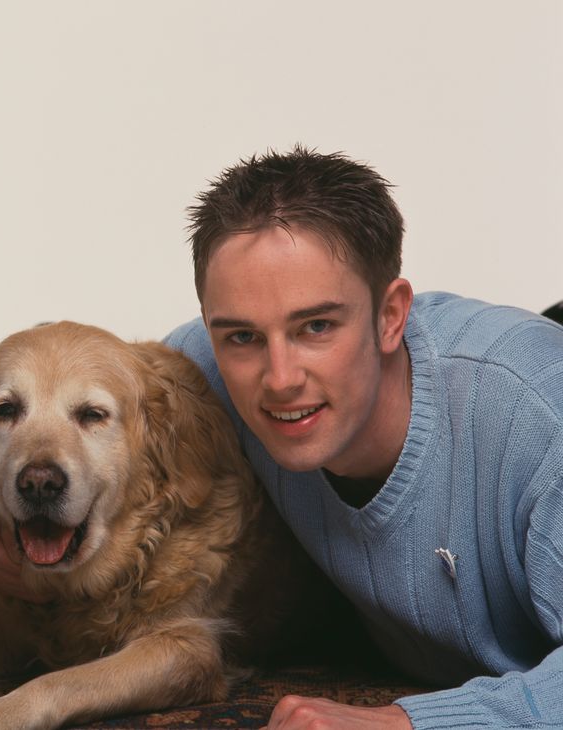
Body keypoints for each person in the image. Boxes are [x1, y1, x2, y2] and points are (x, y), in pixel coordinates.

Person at [161, 147, 563, 728]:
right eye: (242, 336)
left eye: (316, 326)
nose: (279, 380)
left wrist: (401, 724)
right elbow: (87, 386)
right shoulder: (204, 373)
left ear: (390, 316)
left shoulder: (537, 409)